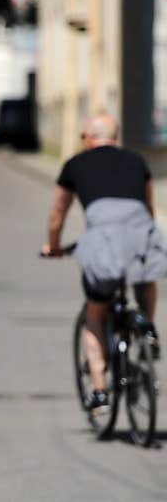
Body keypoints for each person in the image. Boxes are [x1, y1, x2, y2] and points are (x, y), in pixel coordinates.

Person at [41, 112, 167, 408]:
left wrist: (54, 246)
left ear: (88, 137)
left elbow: (58, 213)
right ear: (116, 136)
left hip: (103, 243)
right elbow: (148, 207)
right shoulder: (136, 161)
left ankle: (99, 390)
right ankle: (147, 326)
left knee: (95, 313)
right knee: (145, 277)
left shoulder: (75, 164)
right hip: (139, 235)